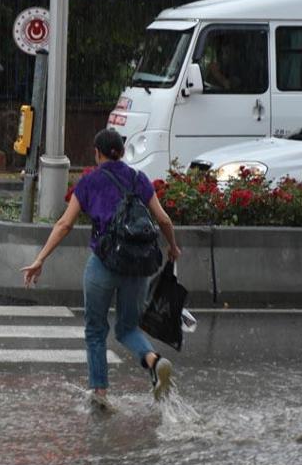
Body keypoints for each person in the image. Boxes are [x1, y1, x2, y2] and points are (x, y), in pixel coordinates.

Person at [21, 129, 182, 411]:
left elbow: (65, 224)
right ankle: (154, 362)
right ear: (121, 151)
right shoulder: (138, 179)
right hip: (138, 265)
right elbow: (164, 219)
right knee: (127, 327)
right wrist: (173, 247)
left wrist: (40, 259)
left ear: (98, 153)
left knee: (96, 329)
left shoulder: (90, 181)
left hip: (104, 264)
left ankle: (100, 392)